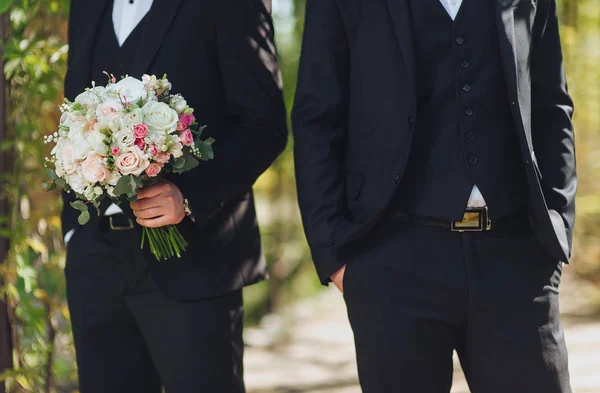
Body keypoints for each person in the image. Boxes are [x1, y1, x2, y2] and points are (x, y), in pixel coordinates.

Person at [292, 0, 576, 392]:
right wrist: (335, 256)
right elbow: (317, 118)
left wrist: (558, 222)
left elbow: (550, 105)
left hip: (516, 255)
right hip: (393, 259)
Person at [62, 0, 287, 392]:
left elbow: (264, 127)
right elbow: (74, 115)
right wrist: (73, 235)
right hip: (95, 264)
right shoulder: (85, 6)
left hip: (195, 260)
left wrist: (190, 196)